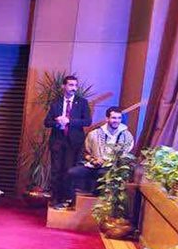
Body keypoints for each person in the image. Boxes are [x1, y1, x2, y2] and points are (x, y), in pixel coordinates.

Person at [57, 106, 136, 209]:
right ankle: (69, 201)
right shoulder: (94, 134)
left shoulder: (127, 136)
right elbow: (85, 153)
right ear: (107, 118)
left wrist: (112, 162)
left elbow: (126, 156)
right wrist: (93, 160)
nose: (116, 121)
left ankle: (99, 206)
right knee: (71, 173)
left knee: (103, 174)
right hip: (94, 165)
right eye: (113, 118)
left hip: (113, 169)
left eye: (119, 118)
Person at [45, 75, 91, 207]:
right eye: (71, 85)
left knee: (69, 171)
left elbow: (87, 121)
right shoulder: (56, 102)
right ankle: (55, 198)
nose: (74, 88)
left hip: (73, 143)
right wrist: (57, 122)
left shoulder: (82, 102)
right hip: (58, 141)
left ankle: (67, 199)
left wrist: (69, 121)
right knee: (56, 171)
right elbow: (47, 122)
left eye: (75, 85)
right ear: (63, 86)